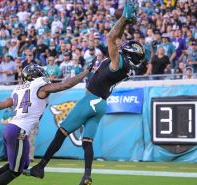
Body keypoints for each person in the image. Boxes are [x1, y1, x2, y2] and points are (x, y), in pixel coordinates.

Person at [25, 1, 144, 184]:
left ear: (127, 52)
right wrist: (125, 24)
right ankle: (87, 176)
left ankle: (40, 167)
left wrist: (124, 18)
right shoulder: (125, 66)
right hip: (101, 105)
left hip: (91, 100)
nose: (122, 45)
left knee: (61, 133)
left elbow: (112, 37)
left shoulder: (118, 61)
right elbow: (117, 39)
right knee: (87, 141)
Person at [0, 60, 96, 185]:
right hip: (18, 131)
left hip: (14, 130)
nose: (44, 76)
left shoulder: (19, 89)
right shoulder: (40, 86)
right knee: (15, 171)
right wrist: (85, 72)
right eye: (40, 73)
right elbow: (65, 85)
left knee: (22, 165)